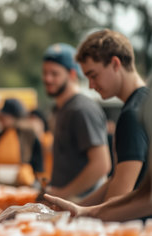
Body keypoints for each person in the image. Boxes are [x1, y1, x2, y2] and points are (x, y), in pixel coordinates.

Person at [45, 29, 150, 221]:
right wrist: (77, 209)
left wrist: (78, 213)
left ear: (115, 63)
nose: (91, 85)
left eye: (94, 75)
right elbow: (116, 179)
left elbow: (118, 197)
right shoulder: (141, 105)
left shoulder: (132, 115)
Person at [42, 43, 111, 200]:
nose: (47, 78)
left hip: (83, 203)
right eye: (45, 72)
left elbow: (101, 165)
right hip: (68, 201)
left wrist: (63, 194)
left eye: (54, 73)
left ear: (72, 74)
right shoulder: (60, 109)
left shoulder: (81, 109)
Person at [0, 98, 43, 186]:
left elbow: (37, 161)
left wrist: (37, 180)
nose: (1, 119)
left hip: (20, 175)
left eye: (4, 116)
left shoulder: (26, 133)